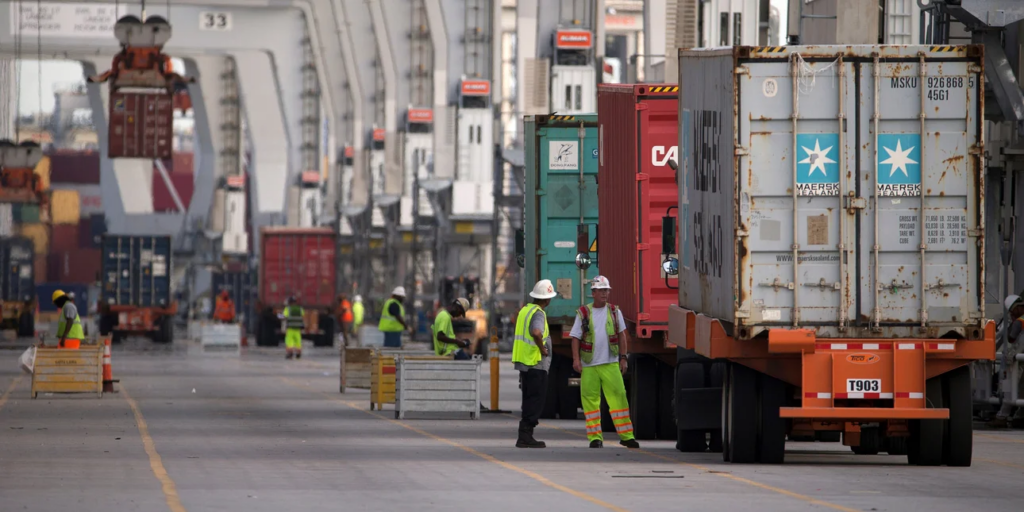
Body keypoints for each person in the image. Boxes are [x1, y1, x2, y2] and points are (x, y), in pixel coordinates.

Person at [571, 276, 640, 448]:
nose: (605, 293)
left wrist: (623, 358)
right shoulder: (583, 313)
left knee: (619, 397)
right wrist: (576, 360)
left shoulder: (615, 312)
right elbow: (575, 338)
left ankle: (626, 436)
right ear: (593, 293)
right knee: (590, 401)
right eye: (601, 290)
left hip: (610, 363)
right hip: (589, 365)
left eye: (607, 290)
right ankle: (595, 438)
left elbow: (622, 336)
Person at [512, 279, 557, 448]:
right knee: (535, 401)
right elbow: (536, 332)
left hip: (525, 362)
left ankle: (524, 435)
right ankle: (525, 436)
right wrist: (543, 349)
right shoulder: (538, 313)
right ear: (546, 299)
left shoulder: (525, 310)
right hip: (535, 363)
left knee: (528, 398)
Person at [989, 294, 1024, 428]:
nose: (1011, 314)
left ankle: (1002, 416)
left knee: (1010, 387)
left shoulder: (1019, 322)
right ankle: (1020, 415)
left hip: (1017, 359)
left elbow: (1011, 338)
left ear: (1015, 308)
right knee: (1022, 389)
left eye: (1011, 311)